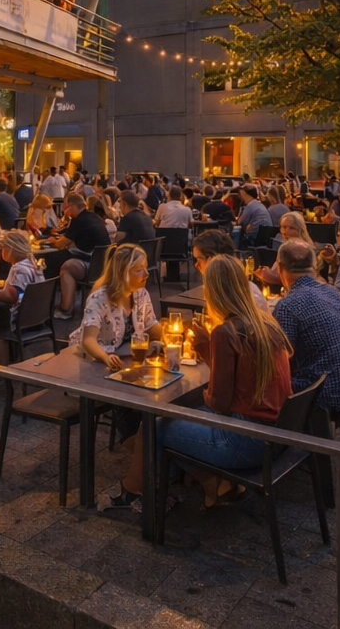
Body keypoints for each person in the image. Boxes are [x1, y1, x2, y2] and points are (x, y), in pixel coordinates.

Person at [160, 254, 293, 510]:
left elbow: (219, 404)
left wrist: (206, 351)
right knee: (186, 413)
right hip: (278, 434)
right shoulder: (267, 322)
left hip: (245, 439)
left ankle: (151, 498)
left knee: (157, 426)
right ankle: (217, 485)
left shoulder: (225, 332)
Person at [75, 244, 162, 511]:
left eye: (145, 268)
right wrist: (105, 357)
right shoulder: (100, 298)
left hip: (131, 364)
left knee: (155, 401)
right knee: (127, 402)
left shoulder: (141, 294)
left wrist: (167, 337)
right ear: (123, 273)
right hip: (101, 366)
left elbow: (152, 326)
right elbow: (88, 340)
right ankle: (156, 462)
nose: (146, 274)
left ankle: (152, 461)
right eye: (139, 270)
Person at [270, 241, 340, 418]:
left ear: (280, 267)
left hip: (322, 398)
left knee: (261, 382)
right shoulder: (333, 293)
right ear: (314, 266)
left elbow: (281, 366)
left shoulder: (288, 306)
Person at [51, 192, 112, 318]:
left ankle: (66, 309)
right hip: (104, 264)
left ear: (71, 206)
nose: (64, 210)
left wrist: (53, 241)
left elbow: (62, 244)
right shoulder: (93, 217)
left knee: (67, 268)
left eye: (65, 207)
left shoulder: (78, 220)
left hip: (93, 267)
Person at [0, 230, 47, 339]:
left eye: (3, 248)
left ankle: (1, 355)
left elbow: (13, 297)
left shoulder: (19, 269)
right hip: (38, 317)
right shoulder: (32, 263)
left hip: (20, 320)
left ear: (11, 249)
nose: (2, 251)